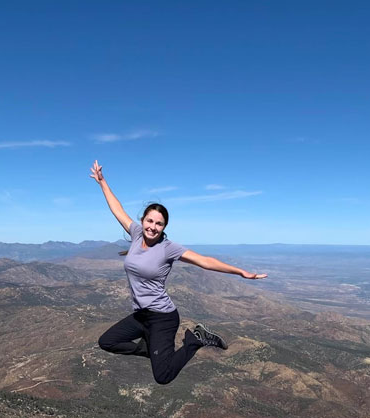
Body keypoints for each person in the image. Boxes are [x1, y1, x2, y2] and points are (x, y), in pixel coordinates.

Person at [91, 160, 267, 385]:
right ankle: (148, 348)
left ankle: (195, 340)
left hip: (162, 318)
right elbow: (117, 209)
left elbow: (203, 261)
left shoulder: (168, 248)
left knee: (162, 376)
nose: (153, 227)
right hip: (140, 316)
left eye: (159, 224)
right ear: (143, 220)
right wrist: (102, 182)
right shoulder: (136, 233)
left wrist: (241, 272)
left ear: (164, 227)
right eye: (150, 221)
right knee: (107, 341)